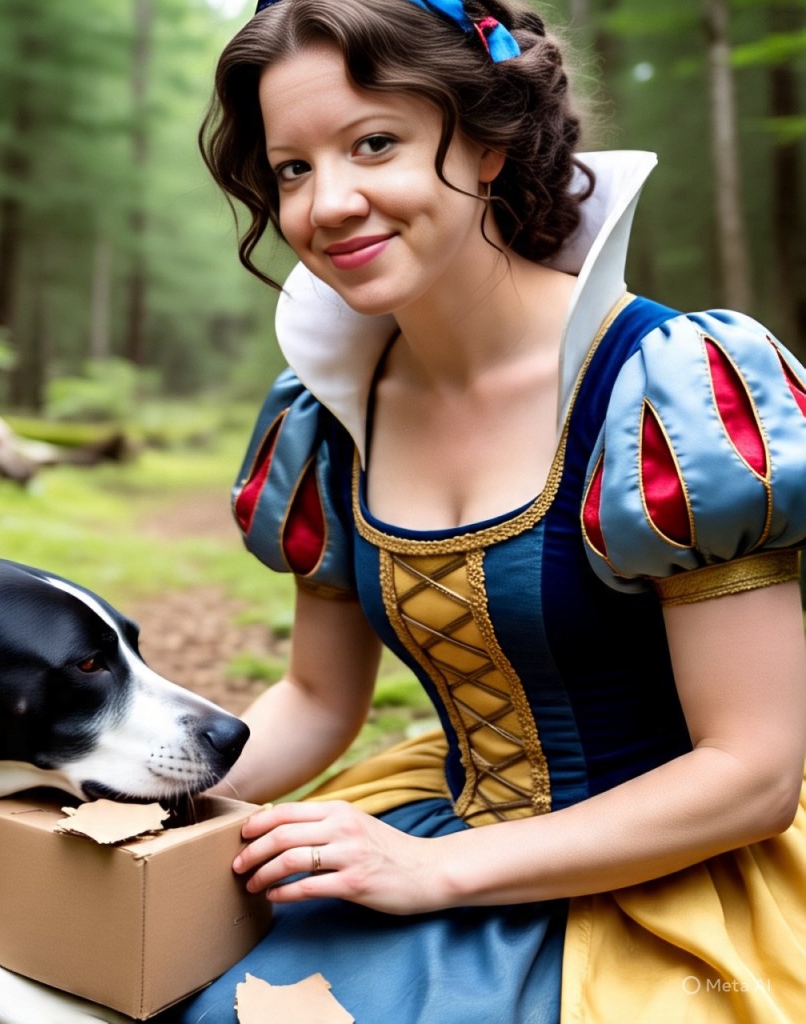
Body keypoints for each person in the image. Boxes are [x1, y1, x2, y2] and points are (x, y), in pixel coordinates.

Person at [163, 0, 806, 1020]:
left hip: (685, 874)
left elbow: (754, 772)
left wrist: (432, 874)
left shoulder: (668, 391)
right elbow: (320, 699)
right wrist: (149, 789)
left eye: (374, 143)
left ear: (490, 141)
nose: (327, 203)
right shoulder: (329, 413)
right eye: (292, 168)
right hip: (441, 826)